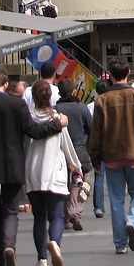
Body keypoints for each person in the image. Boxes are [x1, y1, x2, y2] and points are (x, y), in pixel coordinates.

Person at [0, 68, 67, 266]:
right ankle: (9, 244)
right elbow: (33, 131)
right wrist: (58, 125)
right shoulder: (17, 104)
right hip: (13, 164)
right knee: (11, 209)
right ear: (5, 84)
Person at [87, 56, 134, 255]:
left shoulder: (102, 100)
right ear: (128, 73)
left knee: (116, 200)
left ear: (111, 76)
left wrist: (95, 159)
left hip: (111, 156)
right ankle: (133, 221)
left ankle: (120, 244)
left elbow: (95, 134)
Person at [25, 80, 82, 266]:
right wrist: (77, 168)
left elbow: (24, 146)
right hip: (54, 174)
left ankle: (42, 258)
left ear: (33, 97)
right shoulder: (58, 119)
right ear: (50, 97)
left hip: (33, 175)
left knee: (39, 217)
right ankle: (55, 245)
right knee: (56, 215)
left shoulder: (29, 119)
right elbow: (67, 147)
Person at [55, 79, 92, 232]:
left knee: (63, 184)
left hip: (60, 150)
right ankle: (75, 213)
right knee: (81, 182)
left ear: (59, 93)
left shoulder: (55, 109)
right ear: (74, 91)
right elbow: (91, 128)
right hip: (79, 149)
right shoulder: (82, 108)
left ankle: (65, 218)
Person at [87, 79, 110, 219]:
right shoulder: (112, 103)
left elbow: (90, 128)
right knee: (115, 176)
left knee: (99, 176)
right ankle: (115, 204)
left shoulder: (91, 106)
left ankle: (99, 207)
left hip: (98, 143)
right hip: (112, 143)